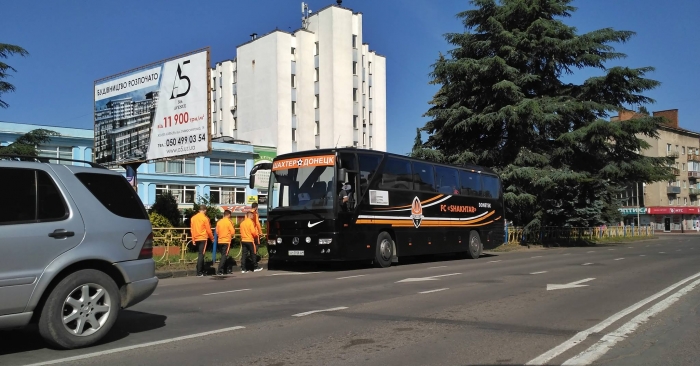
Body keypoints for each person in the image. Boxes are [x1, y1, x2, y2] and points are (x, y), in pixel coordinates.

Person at [190, 205, 214, 277]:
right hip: (203, 238)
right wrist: (212, 238)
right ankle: (199, 272)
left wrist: (193, 239)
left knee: (200, 254)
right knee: (201, 254)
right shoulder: (205, 218)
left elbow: (192, 230)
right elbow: (208, 230)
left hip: (196, 238)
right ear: (204, 210)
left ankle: (202, 271)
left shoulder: (193, 218)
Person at [215, 210, 235, 275]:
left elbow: (217, 232)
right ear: (229, 215)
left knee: (224, 255)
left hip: (220, 241)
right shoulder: (229, 222)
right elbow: (232, 232)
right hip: (226, 241)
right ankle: (219, 270)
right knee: (224, 256)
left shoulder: (219, 222)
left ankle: (226, 270)